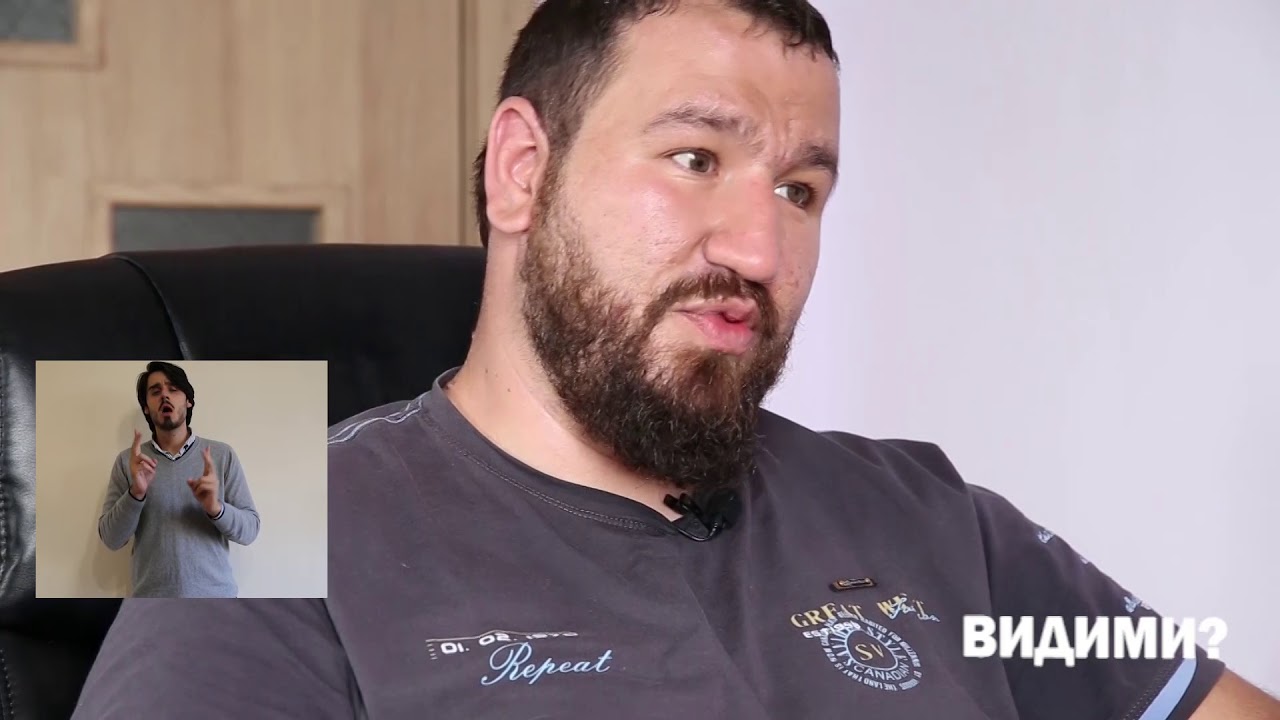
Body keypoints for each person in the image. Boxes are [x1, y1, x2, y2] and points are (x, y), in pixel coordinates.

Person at [75, 1, 1277, 717]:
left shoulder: (928, 514)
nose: (759, 248)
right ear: (521, 171)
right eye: (695, 159)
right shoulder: (251, 528)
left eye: (800, 190)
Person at [96, 361, 261, 597]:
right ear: (146, 408)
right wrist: (135, 494)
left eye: (173, 389)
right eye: (155, 391)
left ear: (188, 401)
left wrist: (216, 508)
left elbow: (250, 530)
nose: (165, 395)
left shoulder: (222, 455)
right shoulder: (129, 462)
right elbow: (111, 539)